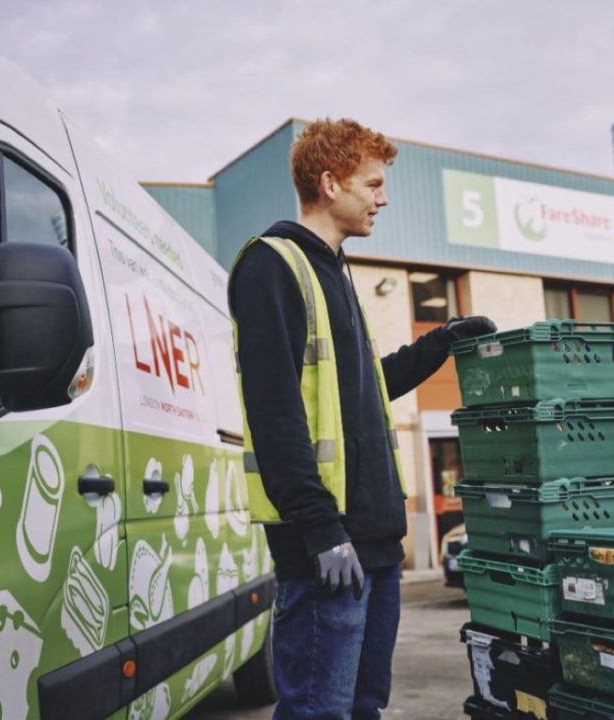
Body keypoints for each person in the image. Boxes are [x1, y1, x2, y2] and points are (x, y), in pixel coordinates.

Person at [228, 118, 495, 719]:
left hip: (373, 546)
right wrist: (321, 530)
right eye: (372, 184)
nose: (383, 197)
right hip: (327, 548)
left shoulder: (337, 272)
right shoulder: (272, 266)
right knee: (319, 712)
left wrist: (444, 339)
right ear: (329, 183)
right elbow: (275, 415)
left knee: (364, 707)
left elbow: (369, 390)